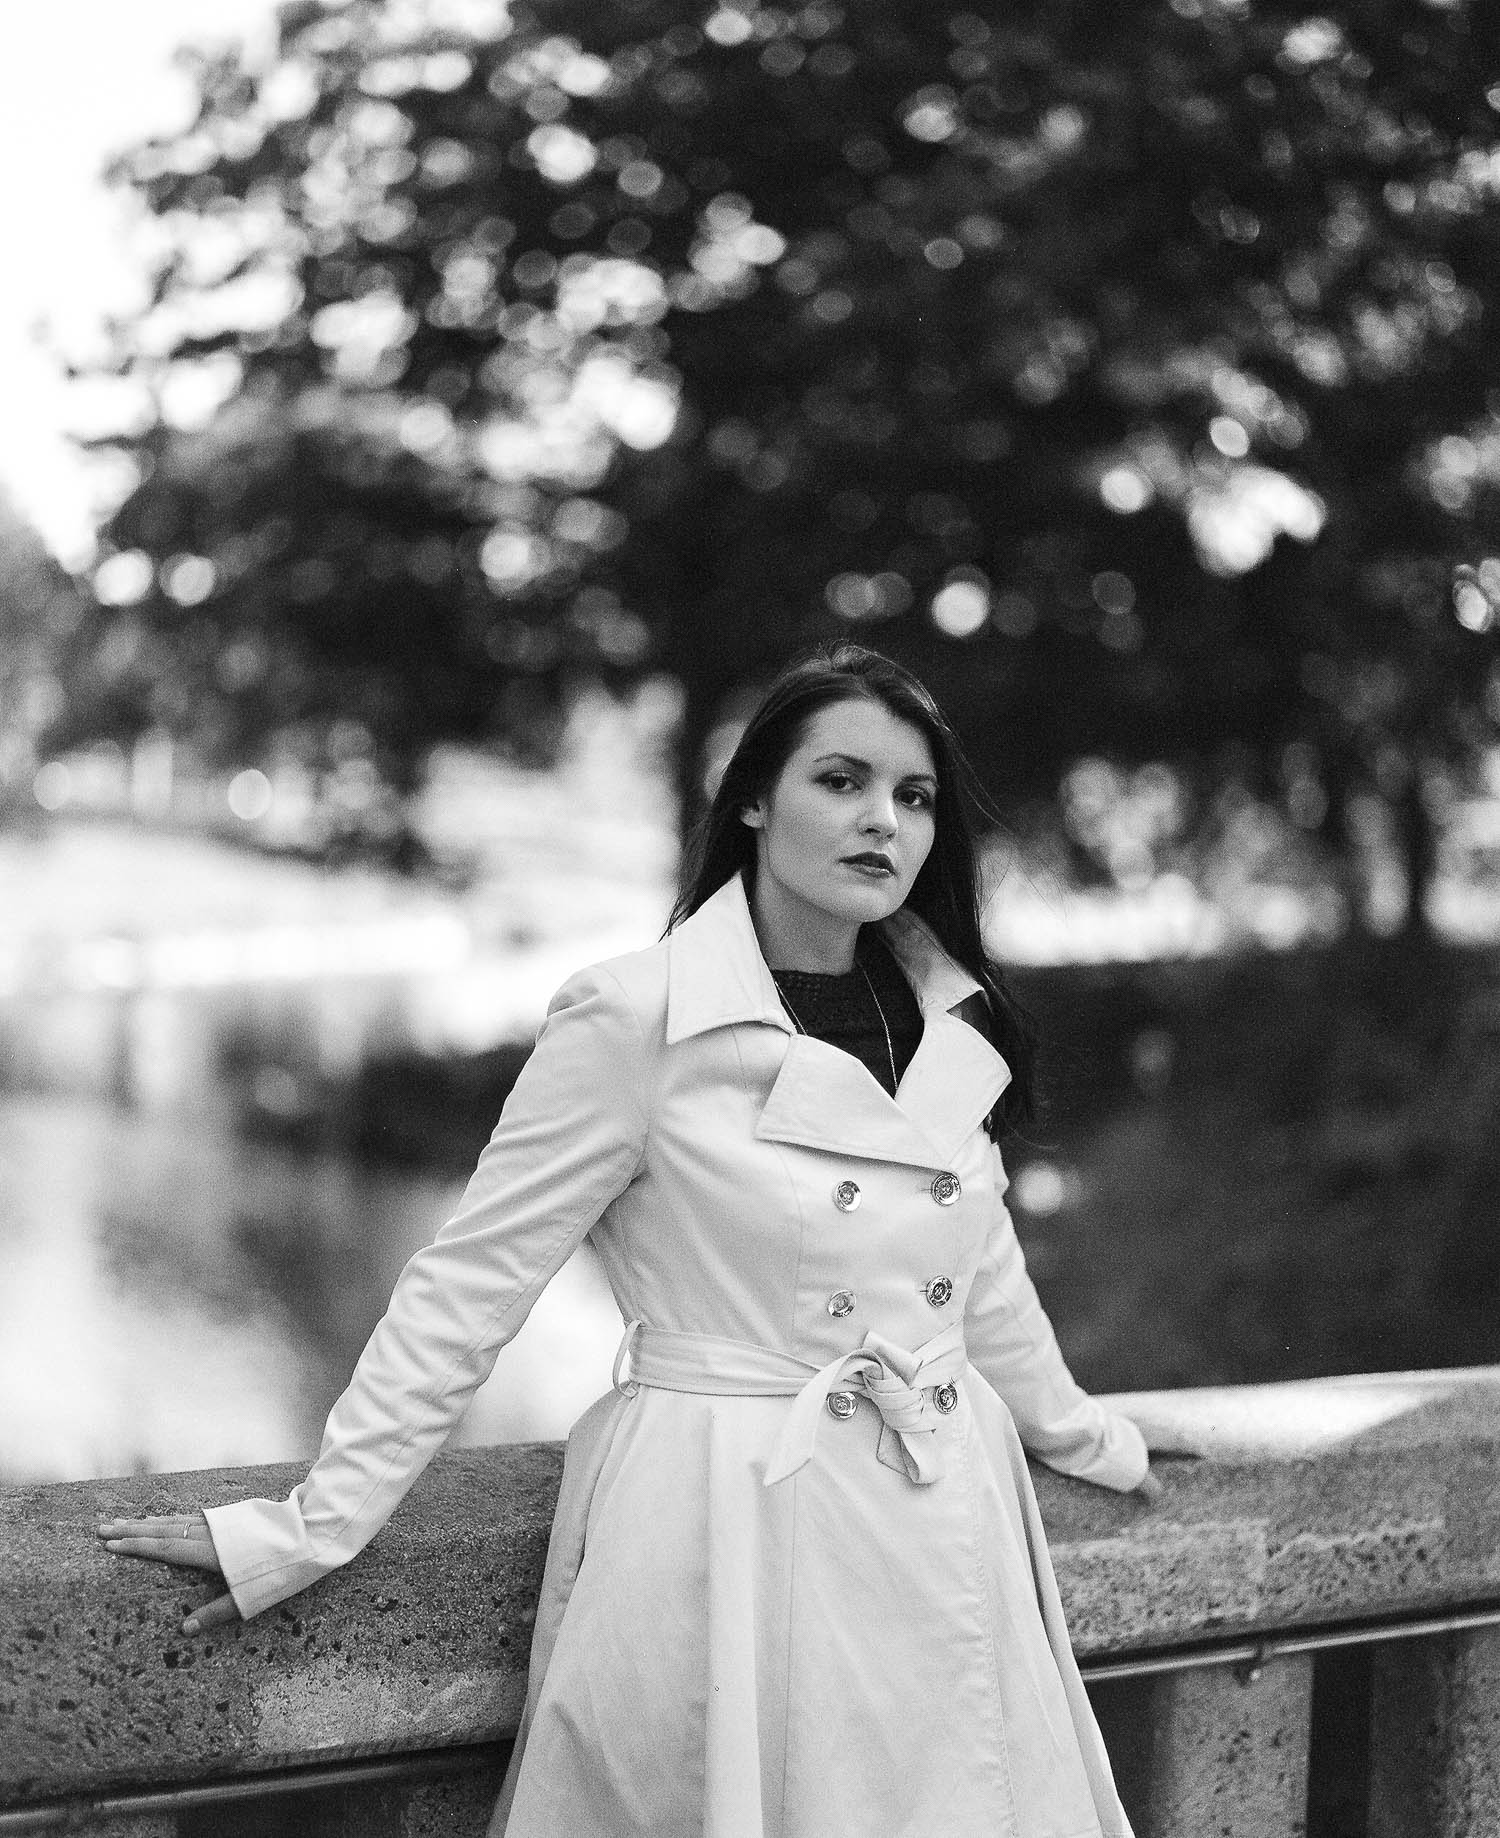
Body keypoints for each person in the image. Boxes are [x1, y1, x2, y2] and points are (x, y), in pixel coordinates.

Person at [99, 641, 1165, 1837]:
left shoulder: (945, 1019)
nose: (884, 821)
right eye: (842, 780)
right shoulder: (637, 1017)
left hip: (946, 1512)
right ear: (754, 798)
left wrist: (1098, 1437)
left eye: (913, 797)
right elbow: (472, 1280)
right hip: (730, 1512)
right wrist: (314, 1523)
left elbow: (975, 1279)